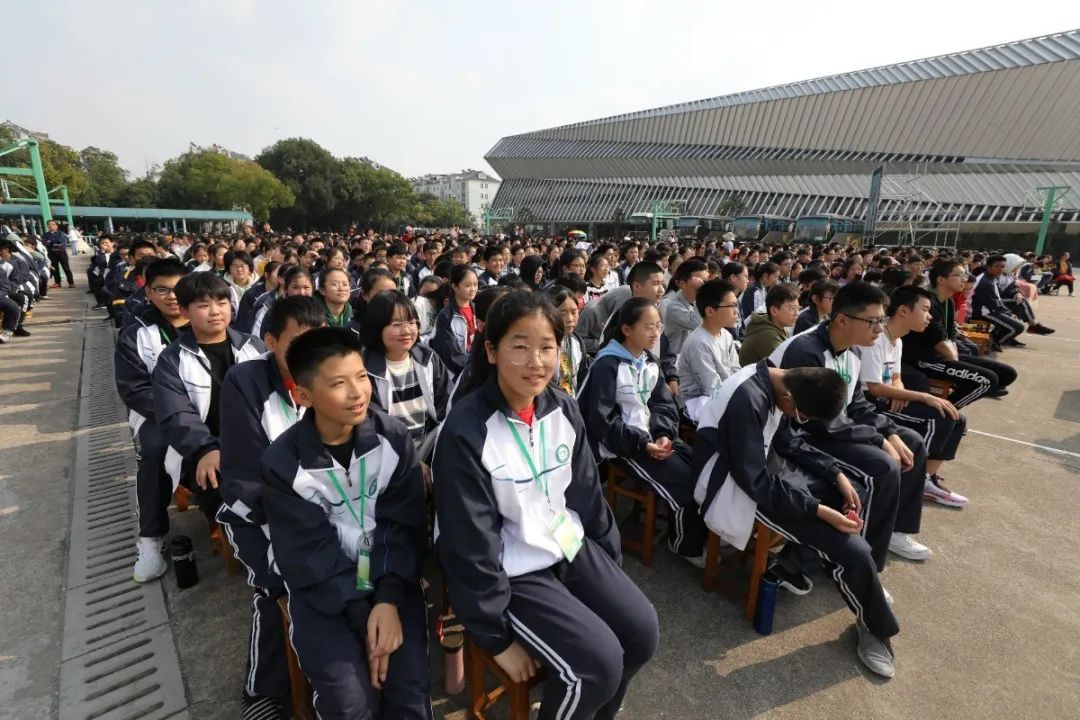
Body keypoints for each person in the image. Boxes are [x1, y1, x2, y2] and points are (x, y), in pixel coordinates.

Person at [434, 290, 658, 720]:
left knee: (641, 633)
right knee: (598, 663)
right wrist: (497, 637)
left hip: (566, 543)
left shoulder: (562, 408)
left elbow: (587, 494)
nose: (536, 362)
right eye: (520, 347)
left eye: (547, 348)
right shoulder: (466, 429)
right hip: (512, 567)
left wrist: (606, 567)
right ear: (492, 351)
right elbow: (469, 545)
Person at [262, 328, 431, 719]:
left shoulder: (392, 437)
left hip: (390, 575)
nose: (357, 393)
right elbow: (308, 555)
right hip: (324, 593)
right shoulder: (283, 464)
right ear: (303, 396)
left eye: (360, 377)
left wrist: (386, 600)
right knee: (348, 703)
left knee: (409, 694)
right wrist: (363, 618)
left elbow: (403, 525)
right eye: (338, 383)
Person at [692, 363, 900, 677]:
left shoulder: (778, 380)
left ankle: (802, 565)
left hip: (763, 469)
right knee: (850, 549)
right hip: (732, 485)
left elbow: (789, 442)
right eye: (803, 417)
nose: (799, 421)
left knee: (852, 492)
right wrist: (816, 509)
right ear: (790, 400)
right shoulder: (747, 399)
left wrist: (836, 473)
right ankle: (875, 626)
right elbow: (755, 482)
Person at [769, 281, 931, 566]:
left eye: (881, 320)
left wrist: (888, 432)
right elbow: (817, 420)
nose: (879, 329)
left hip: (836, 427)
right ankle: (865, 560)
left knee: (912, 443)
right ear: (842, 319)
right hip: (803, 433)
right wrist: (876, 438)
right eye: (872, 322)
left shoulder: (853, 350)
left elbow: (857, 405)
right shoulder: (807, 351)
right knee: (883, 467)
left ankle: (896, 530)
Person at [217, 296, 325, 719]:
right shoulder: (245, 382)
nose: (311, 352)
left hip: (328, 514)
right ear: (270, 342)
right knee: (276, 583)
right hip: (257, 516)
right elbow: (246, 476)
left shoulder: (332, 377)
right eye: (300, 341)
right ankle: (261, 690)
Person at [577, 297, 707, 565]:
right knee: (685, 484)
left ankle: (696, 530)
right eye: (648, 327)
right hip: (623, 447)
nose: (655, 333)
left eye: (658, 326)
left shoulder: (648, 360)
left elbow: (661, 402)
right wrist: (642, 444)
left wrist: (663, 433)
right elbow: (600, 420)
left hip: (651, 438)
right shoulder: (607, 364)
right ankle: (684, 544)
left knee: (701, 468)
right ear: (626, 329)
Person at [152, 272, 266, 527]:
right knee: (223, 489)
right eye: (203, 305)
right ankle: (244, 541)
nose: (215, 311)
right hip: (205, 447)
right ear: (184, 311)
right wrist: (206, 448)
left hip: (260, 438)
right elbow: (176, 414)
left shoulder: (254, 346)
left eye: (222, 303)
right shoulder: (172, 360)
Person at [114, 258, 192, 581]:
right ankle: (150, 539)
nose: (172, 296)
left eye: (178, 289)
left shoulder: (205, 320)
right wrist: (176, 412)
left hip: (206, 407)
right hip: (155, 413)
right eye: (163, 289)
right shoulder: (136, 334)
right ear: (149, 293)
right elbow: (134, 389)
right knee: (156, 451)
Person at [862, 286, 969, 508]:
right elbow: (873, 387)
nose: (929, 316)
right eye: (925, 310)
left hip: (889, 397)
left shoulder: (898, 340)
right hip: (872, 405)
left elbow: (896, 376)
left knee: (958, 418)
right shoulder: (877, 338)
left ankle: (926, 480)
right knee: (940, 417)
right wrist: (923, 397)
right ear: (903, 310)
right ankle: (912, 482)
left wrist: (898, 388)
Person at [902, 258, 1015, 405]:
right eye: (959, 275)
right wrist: (957, 366)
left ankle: (964, 392)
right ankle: (945, 413)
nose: (964, 279)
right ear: (941, 280)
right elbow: (940, 344)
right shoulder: (928, 303)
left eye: (965, 275)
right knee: (987, 380)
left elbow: (949, 337)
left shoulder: (949, 302)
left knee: (1007, 373)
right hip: (924, 359)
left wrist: (959, 363)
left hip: (942, 355)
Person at [361, 290, 450, 461]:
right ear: (376, 327)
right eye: (396, 325)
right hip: (386, 455)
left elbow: (445, 406)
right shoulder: (364, 368)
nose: (407, 331)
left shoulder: (427, 358)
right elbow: (372, 425)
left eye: (412, 322)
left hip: (429, 447)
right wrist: (410, 461)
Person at [678, 279, 741, 422]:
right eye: (731, 306)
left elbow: (736, 370)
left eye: (736, 305)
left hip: (722, 394)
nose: (736, 311)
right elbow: (711, 388)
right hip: (696, 402)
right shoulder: (698, 342)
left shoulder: (725, 335)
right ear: (710, 311)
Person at [431, 264, 479, 377]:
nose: (473, 289)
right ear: (455, 286)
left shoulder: (478, 309)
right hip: (456, 374)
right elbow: (450, 354)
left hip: (475, 367)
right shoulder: (446, 316)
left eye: (475, 284)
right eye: (467, 285)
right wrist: (475, 366)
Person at [971, 255, 1027, 349]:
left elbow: (998, 297)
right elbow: (994, 305)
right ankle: (995, 342)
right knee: (1017, 328)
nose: (1001, 269)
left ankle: (993, 339)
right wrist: (1009, 314)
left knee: (1017, 307)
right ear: (988, 267)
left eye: (1003, 266)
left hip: (989, 309)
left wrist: (1017, 294)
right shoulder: (986, 282)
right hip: (982, 312)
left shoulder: (992, 277)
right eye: (997, 266)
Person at [739, 284, 799, 366]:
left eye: (798, 308)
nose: (796, 313)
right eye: (792, 308)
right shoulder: (766, 335)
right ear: (774, 311)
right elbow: (787, 366)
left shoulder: (777, 327)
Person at [660, 258, 709, 356]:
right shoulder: (672, 305)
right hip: (677, 364)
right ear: (682, 283)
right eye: (699, 282)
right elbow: (696, 323)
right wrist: (700, 294)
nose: (703, 286)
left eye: (705, 282)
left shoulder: (696, 303)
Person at [547, 285, 589, 395]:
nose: (570, 319)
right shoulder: (542, 346)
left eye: (574, 312)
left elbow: (581, 379)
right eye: (563, 313)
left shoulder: (577, 342)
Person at [43, 219, 74, 288]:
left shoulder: (61, 233)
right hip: (51, 254)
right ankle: (57, 283)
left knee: (66, 268)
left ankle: (71, 282)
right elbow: (45, 243)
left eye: (53, 224)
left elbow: (61, 243)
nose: (51, 226)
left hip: (61, 253)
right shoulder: (45, 235)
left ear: (56, 226)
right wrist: (53, 242)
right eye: (49, 224)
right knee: (54, 269)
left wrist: (50, 242)